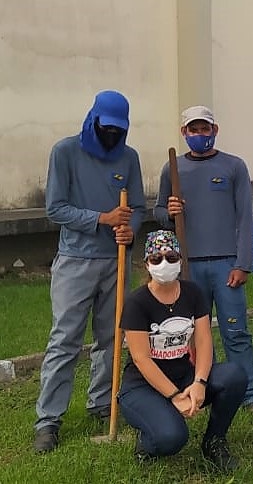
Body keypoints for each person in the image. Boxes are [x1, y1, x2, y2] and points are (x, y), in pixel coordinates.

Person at [34, 90, 146, 453]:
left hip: (116, 261)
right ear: (93, 120)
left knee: (111, 337)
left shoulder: (129, 158)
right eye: (107, 128)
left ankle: (102, 404)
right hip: (75, 261)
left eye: (119, 130)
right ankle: (48, 420)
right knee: (65, 339)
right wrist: (102, 219)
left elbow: (139, 207)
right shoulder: (65, 152)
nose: (112, 136)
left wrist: (130, 230)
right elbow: (55, 208)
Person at [154, 105, 253, 411]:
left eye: (205, 129)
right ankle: (199, 389)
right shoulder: (172, 169)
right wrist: (169, 212)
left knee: (236, 330)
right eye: (194, 130)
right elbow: (159, 212)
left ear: (214, 130)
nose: (200, 135)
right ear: (184, 133)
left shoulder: (233, 167)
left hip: (227, 264)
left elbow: (245, 217)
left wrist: (243, 263)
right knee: (192, 334)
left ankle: (249, 392)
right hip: (187, 266)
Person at [118, 231, 246, 472]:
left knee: (234, 376)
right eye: (156, 259)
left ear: (180, 260)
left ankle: (214, 440)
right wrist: (175, 396)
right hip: (143, 386)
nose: (164, 263)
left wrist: (199, 382)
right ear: (147, 263)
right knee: (173, 438)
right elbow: (141, 359)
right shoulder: (137, 303)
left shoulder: (193, 293)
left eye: (171, 256)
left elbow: (205, 340)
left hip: (185, 376)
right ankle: (147, 441)